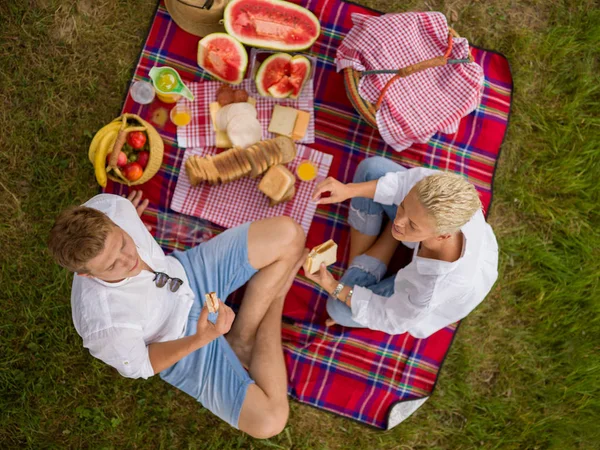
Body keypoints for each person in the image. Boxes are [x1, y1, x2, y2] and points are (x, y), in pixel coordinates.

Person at [48, 191, 307, 439]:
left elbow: (117, 226)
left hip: (190, 274)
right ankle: (277, 299)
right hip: (181, 340)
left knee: (290, 234)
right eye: (112, 265)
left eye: (124, 243)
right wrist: (201, 339)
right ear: (87, 275)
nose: (129, 260)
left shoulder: (114, 208)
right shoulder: (105, 327)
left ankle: (241, 338)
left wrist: (129, 223)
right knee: (269, 421)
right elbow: (142, 365)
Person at [304, 156, 498, 338]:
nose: (399, 220)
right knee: (372, 169)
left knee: (337, 309)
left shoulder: (432, 289)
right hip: (424, 232)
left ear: (443, 236)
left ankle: (379, 250)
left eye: (412, 224)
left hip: (416, 292)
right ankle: (386, 243)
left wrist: (332, 285)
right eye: (403, 206)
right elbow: (402, 184)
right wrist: (349, 191)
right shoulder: (439, 189)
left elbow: (390, 318)